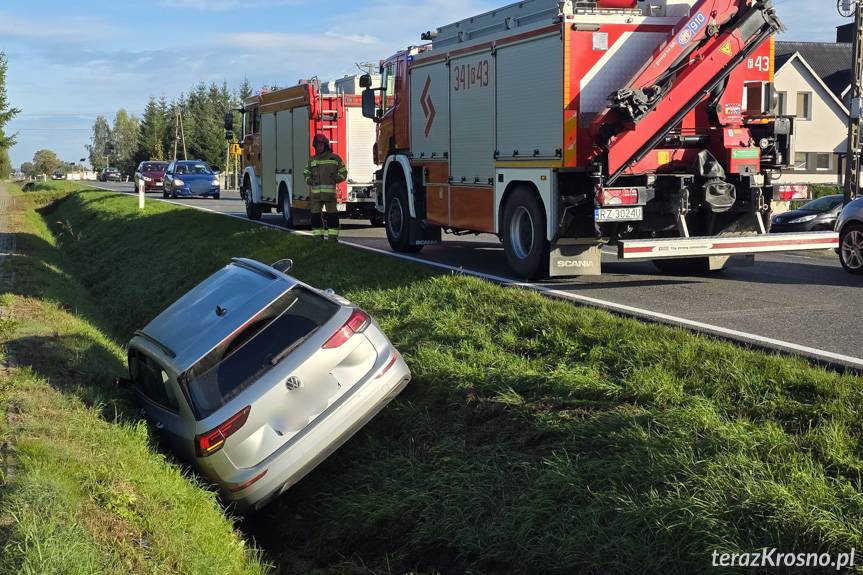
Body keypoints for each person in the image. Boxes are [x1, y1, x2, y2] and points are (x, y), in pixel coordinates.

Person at [304, 134, 347, 241]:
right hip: (315, 196)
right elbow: (306, 173)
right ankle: (317, 238)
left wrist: (335, 179)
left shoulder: (335, 158)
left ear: (326, 145)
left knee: (332, 217)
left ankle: (332, 238)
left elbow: (343, 173)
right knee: (315, 217)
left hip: (330, 195)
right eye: (317, 145)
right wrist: (310, 180)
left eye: (321, 145)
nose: (319, 147)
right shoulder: (312, 160)